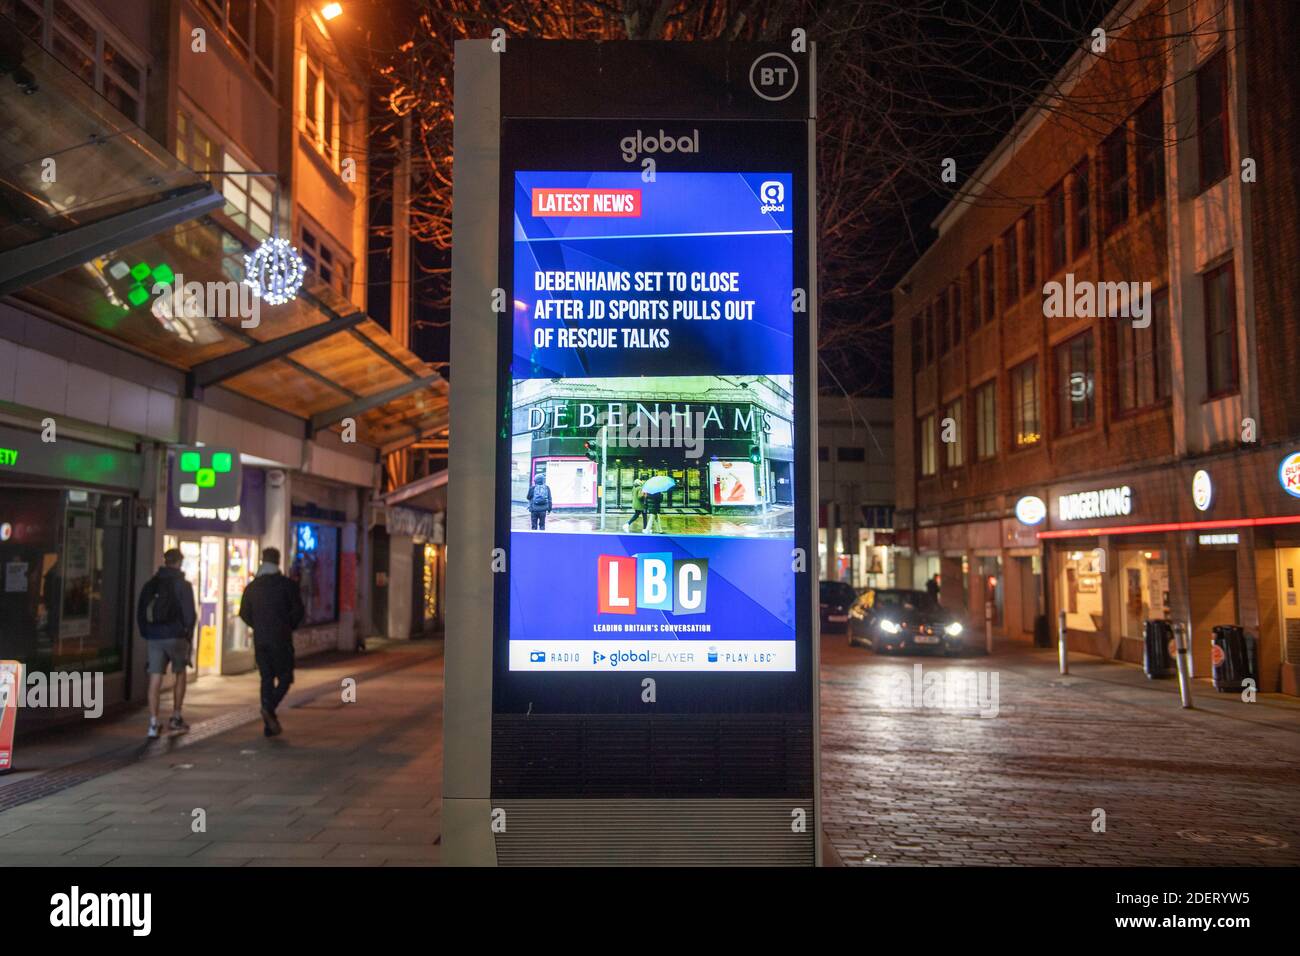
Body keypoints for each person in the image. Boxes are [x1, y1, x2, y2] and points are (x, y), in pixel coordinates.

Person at [238, 547, 305, 737]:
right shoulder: (287, 585)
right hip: (281, 638)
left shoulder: (253, 586)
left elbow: (244, 613)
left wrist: (258, 626)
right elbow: (298, 611)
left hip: (261, 639)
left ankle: (269, 723)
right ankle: (269, 708)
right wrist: (287, 625)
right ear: (278, 561)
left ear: (262, 560)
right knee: (285, 677)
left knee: (266, 678)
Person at [136, 548, 197, 739]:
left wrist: (147, 632)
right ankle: (176, 716)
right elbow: (190, 615)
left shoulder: (151, 584)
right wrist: (188, 635)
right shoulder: (183, 585)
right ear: (179, 562)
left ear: (165, 561)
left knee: (155, 678)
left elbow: (140, 611)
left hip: (155, 636)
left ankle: (153, 723)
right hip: (176, 635)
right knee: (180, 674)